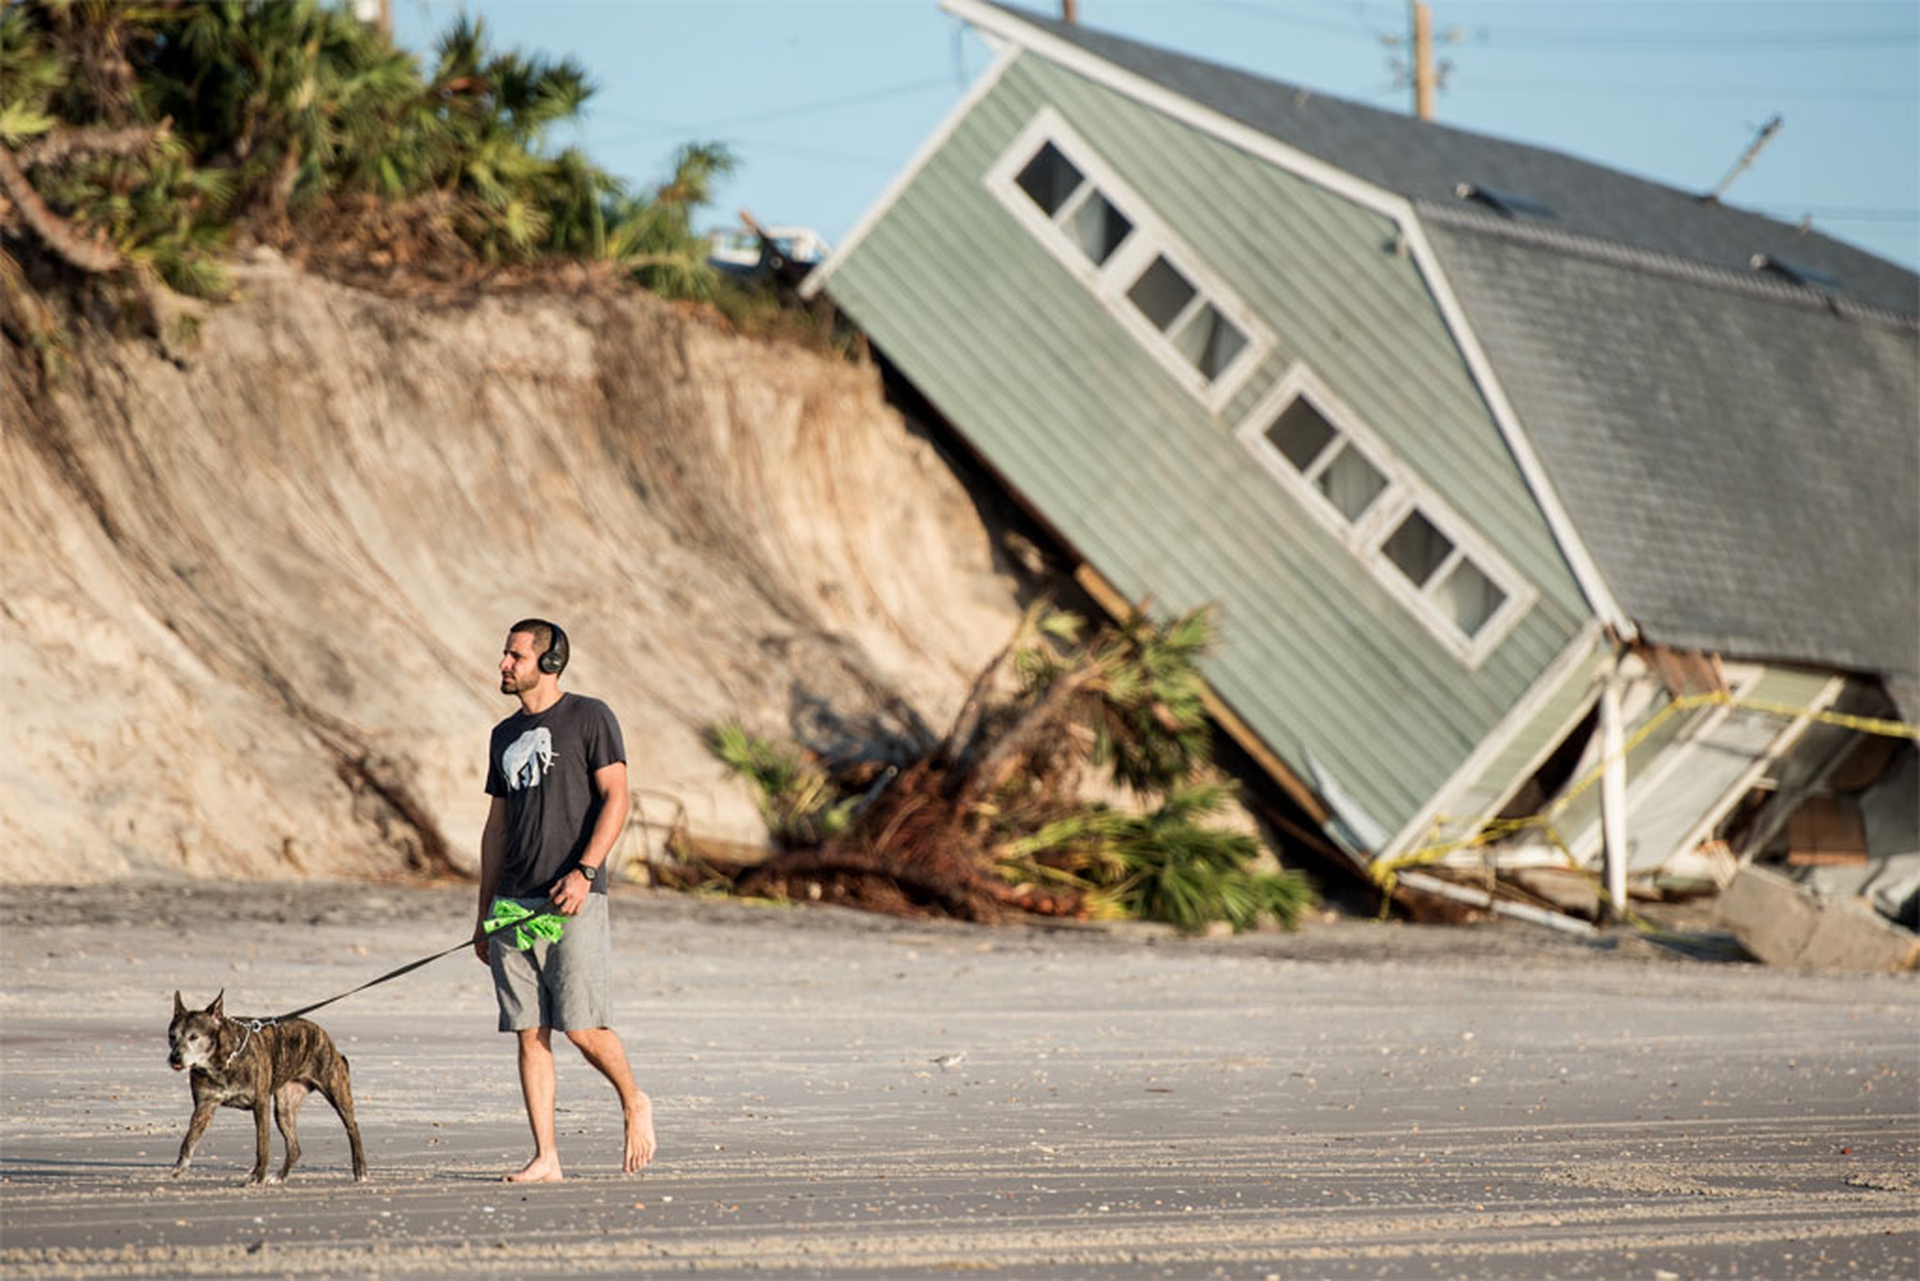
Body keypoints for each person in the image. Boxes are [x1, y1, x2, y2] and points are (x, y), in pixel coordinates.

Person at [472, 618, 656, 1182]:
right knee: (530, 1032)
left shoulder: (590, 717)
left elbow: (617, 799)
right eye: (505, 655)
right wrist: (483, 913)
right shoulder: (503, 736)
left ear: (549, 663)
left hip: (571, 897)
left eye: (516, 656)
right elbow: (496, 829)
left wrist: (584, 871)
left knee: (582, 1028)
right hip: (513, 901)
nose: (504, 664)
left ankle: (633, 1099)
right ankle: (547, 1157)